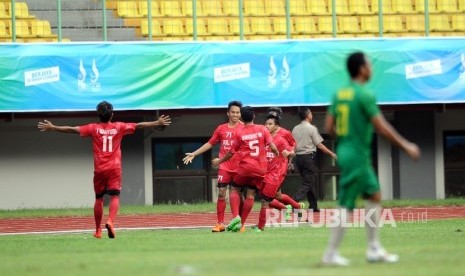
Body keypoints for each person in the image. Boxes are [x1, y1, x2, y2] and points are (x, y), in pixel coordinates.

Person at [322, 52, 420, 266]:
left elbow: (328, 127)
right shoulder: (365, 95)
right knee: (346, 202)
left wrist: (346, 138)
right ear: (362, 69)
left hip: (348, 151)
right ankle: (330, 254)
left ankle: (374, 248)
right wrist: (406, 145)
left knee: (374, 194)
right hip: (357, 154)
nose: (372, 68)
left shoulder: (340, 94)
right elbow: (381, 127)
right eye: (369, 64)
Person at [37, 101, 171, 239]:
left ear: (98, 115)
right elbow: (138, 125)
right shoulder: (119, 127)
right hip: (114, 168)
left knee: (99, 199)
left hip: (99, 169)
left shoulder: (93, 128)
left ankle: (98, 230)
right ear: (112, 115)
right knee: (115, 196)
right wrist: (157, 122)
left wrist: (53, 127)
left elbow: (72, 129)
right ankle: (111, 221)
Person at [212, 106, 278, 233]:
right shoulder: (262, 129)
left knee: (234, 189)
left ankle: (236, 216)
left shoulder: (240, 132)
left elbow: (231, 152)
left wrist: (220, 161)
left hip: (245, 167)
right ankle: (241, 224)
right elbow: (273, 147)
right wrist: (277, 153)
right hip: (260, 169)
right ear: (254, 116)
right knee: (251, 195)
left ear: (242, 117)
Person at [182, 100, 243, 233]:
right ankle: (220, 223)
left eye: (237, 112)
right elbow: (210, 143)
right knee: (221, 194)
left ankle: (237, 222)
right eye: (233, 112)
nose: (235, 114)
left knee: (237, 194)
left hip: (240, 167)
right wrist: (194, 154)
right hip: (225, 166)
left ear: (240, 114)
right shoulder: (221, 128)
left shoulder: (244, 128)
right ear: (228, 113)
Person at [254, 114, 303, 232]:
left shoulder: (281, 139)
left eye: (270, 124)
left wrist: (289, 153)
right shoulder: (262, 138)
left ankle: (260, 227)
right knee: (274, 197)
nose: (267, 126)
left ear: (276, 127)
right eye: (266, 124)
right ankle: (295, 207)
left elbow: (293, 151)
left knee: (266, 200)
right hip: (263, 173)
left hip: (276, 174)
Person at [292, 107, 337, 212]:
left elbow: (292, 146)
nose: (312, 115)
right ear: (308, 115)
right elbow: (319, 145)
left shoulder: (295, 128)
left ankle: (313, 206)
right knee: (308, 183)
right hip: (308, 158)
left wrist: (290, 162)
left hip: (298, 158)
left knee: (308, 182)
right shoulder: (312, 128)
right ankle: (293, 201)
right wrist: (332, 154)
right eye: (311, 113)